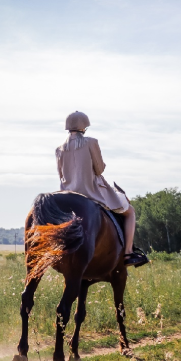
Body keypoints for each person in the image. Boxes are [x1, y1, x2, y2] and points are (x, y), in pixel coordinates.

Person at [56, 111, 148, 267]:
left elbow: (61, 176)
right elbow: (99, 170)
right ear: (84, 127)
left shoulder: (59, 149)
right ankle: (128, 253)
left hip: (68, 197)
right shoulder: (91, 142)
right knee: (130, 212)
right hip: (93, 192)